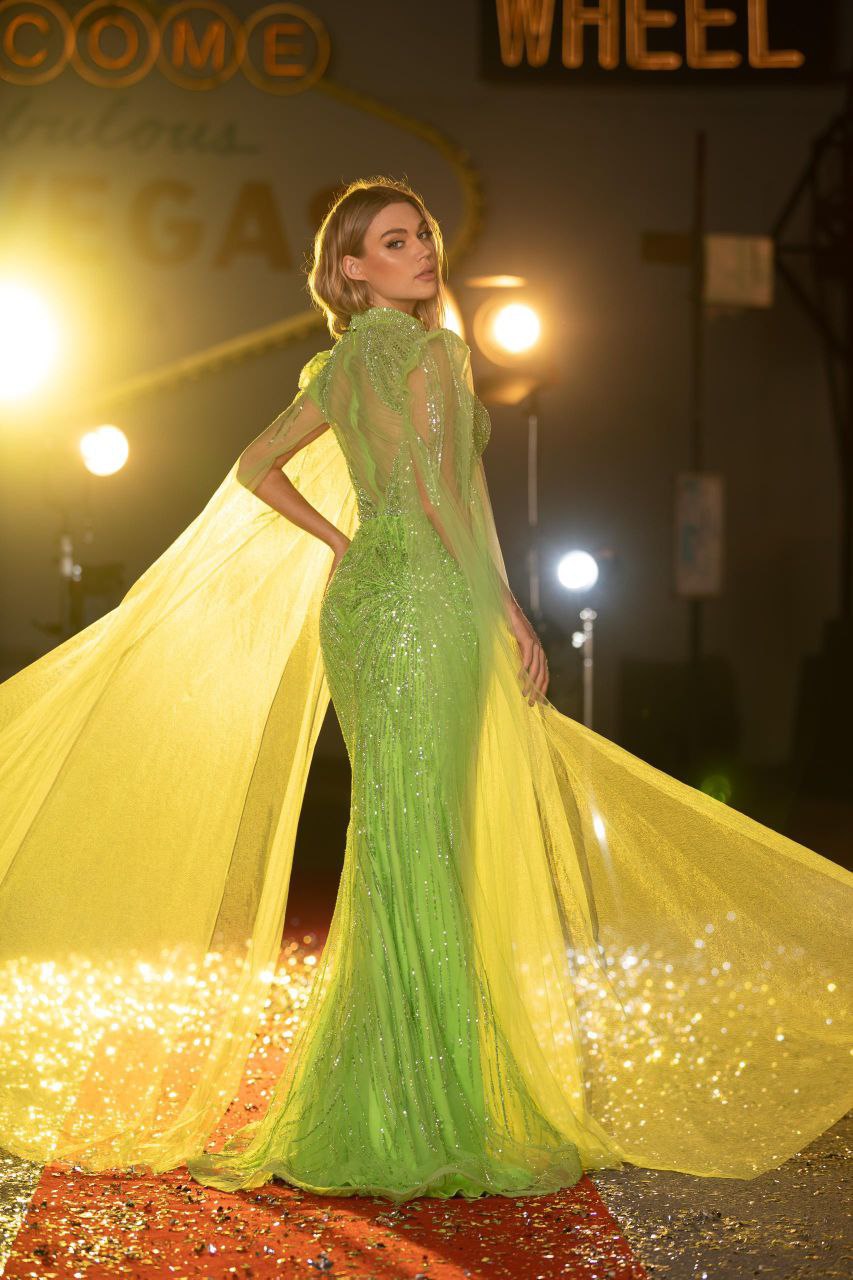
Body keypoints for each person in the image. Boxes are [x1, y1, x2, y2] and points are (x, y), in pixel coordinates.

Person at [0, 178, 850, 1205]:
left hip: (367, 603)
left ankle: (385, 1094)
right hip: (430, 603)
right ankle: (427, 1102)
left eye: (424, 236)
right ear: (350, 269)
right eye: (395, 241)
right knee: (423, 835)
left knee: (395, 834)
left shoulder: (342, 363)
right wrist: (506, 609)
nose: (422, 252)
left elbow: (254, 464)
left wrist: (342, 542)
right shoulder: (432, 352)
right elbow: (446, 496)